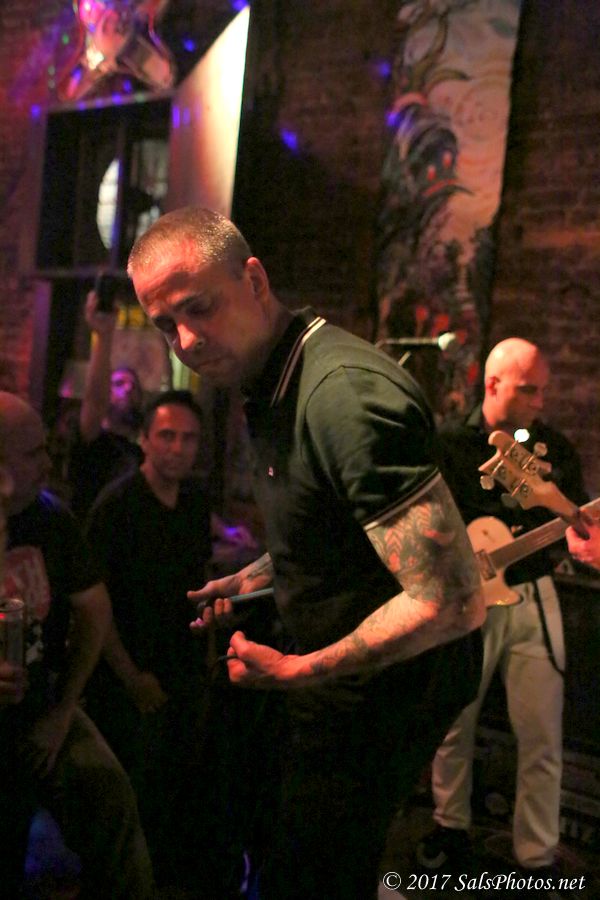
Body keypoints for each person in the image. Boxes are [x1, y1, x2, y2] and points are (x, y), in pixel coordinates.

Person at [126, 206, 486, 899]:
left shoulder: (343, 397)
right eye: (165, 325)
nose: (186, 340)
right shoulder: (268, 376)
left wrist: (295, 670)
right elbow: (335, 526)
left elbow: (453, 601)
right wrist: (264, 574)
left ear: (254, 280)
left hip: (375, 697)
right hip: (331, 686)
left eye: (199, 308)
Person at [418, 338, 588, 878]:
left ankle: (535, 857)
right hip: (468, 600)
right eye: (528, 389)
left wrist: (579, 537)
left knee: (542, 732)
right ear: (492, 384)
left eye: (543, 390)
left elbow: (575, 531)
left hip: (534, 592)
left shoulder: (556, 450)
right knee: (455, 721)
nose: (540, 401)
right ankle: (448, 828)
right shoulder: (450, 445)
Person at [0, 391, 154, 899]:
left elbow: (94, 609)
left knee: (112, 802)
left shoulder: (51, 518)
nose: (49, 463)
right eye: (33, 453)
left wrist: (64, 708)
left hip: (41, 706)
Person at [84, 390, 216, 890]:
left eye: (188, 438)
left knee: (174, 800)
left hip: (182, 671)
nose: (178, 448)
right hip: (127, 679)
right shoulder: (117, 505)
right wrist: (130, 676)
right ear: (143, 439)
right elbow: (95, 605)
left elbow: (197, 580)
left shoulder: (195, 501)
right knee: (126, 804)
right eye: (167, 436)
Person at [68, 289, 144, 519]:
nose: (127, 389)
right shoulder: (93, 438)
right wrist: (103, 335)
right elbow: (95, 401)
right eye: (119, 383)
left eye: (132, 385)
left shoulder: (142, 451)